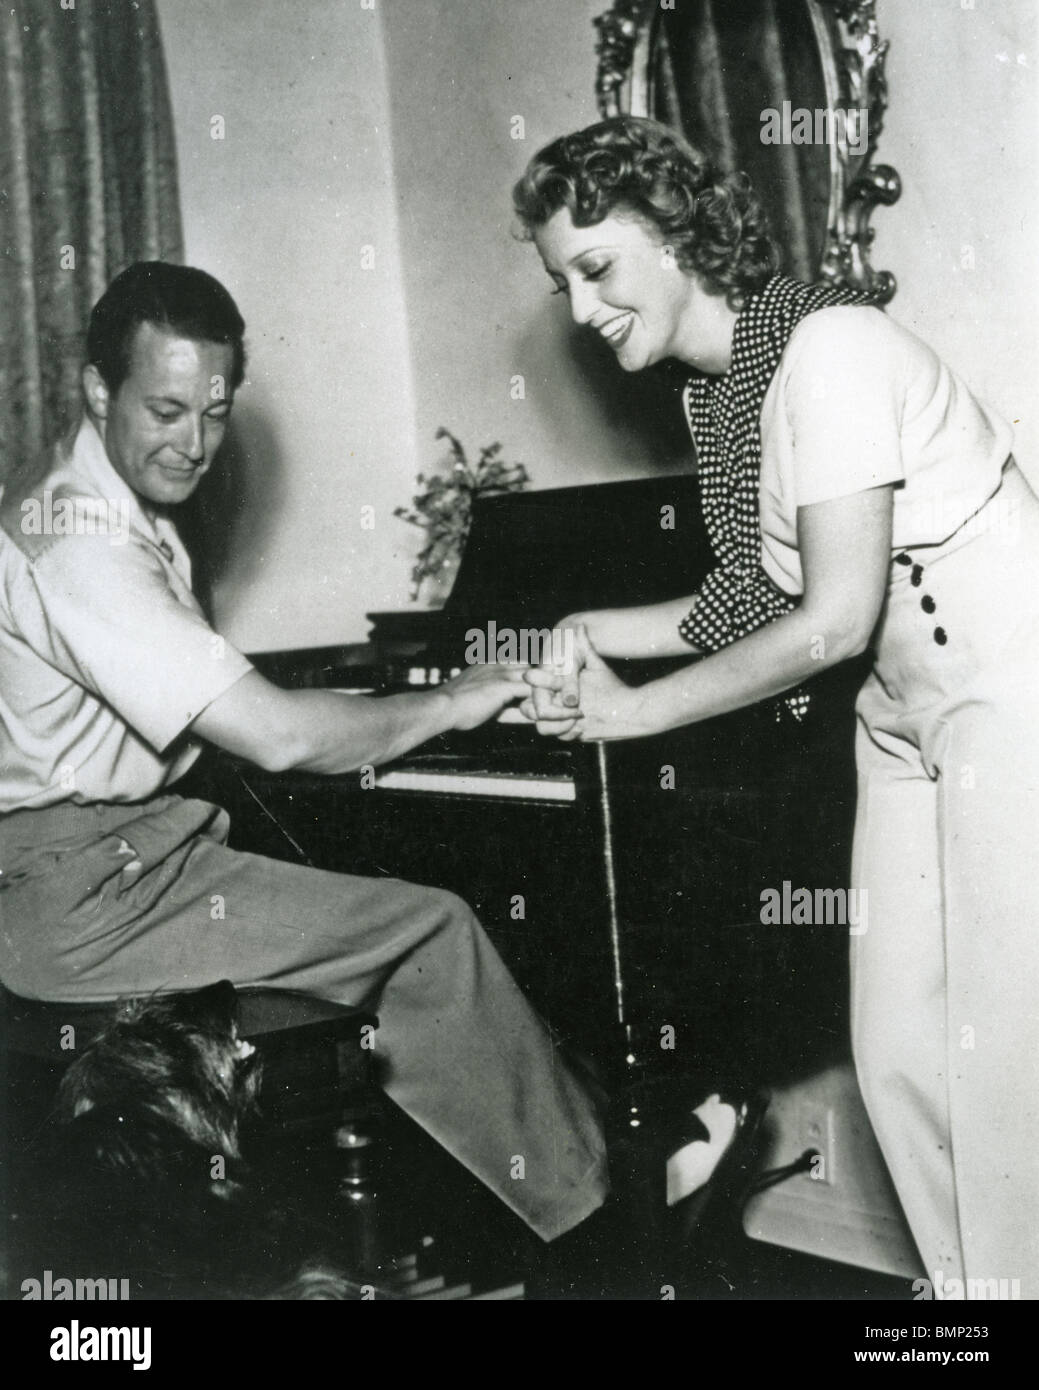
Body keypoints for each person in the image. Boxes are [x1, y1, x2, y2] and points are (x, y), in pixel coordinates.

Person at [512, 115, 1039, 1295]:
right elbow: (747, 595)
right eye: (563, 285)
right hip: (902, 719)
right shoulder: (724, 394)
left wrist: (634, 713)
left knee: (1001, 1070)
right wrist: (596, 633)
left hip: (1010, 692)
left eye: (596, 269)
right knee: (899, 1055)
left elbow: (830, 619)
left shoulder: (830, 345)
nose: (583, 312)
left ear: (671, 229)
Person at [0, 261, 607, 1254]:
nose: (193, 443)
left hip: (121, 867)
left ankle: (463, 1218)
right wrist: (456, 696)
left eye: (215, 411)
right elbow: (278, 734)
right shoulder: (81, 547)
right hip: (89, 901)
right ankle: (601, 1230)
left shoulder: (92, 497)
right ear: (98, 390)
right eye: (164, 409)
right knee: (428, 930)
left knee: (384, 919)